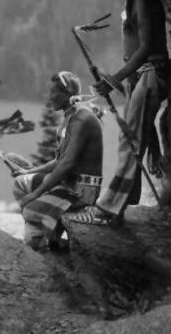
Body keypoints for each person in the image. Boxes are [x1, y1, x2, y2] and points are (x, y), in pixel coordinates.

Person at [73, 0, 170, 225]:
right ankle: (125, 205)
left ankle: (110, 207)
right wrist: (119, 79)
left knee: (130, 139)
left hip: (151, 74)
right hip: (140, 75)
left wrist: (113, 80)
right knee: (131, 138)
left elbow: (148, 46)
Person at [6, 71, 103, 250]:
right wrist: (28, 172)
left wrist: (36, 194)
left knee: (29, 210)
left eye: (53, 92)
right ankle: (48, 237)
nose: (49, 96)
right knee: (21, 183)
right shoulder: (72, 115)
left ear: (67, 93)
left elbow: (67, 163)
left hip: (81, 191)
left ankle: (42, 241)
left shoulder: (81, 118)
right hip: (70, 184)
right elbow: (60, 160)